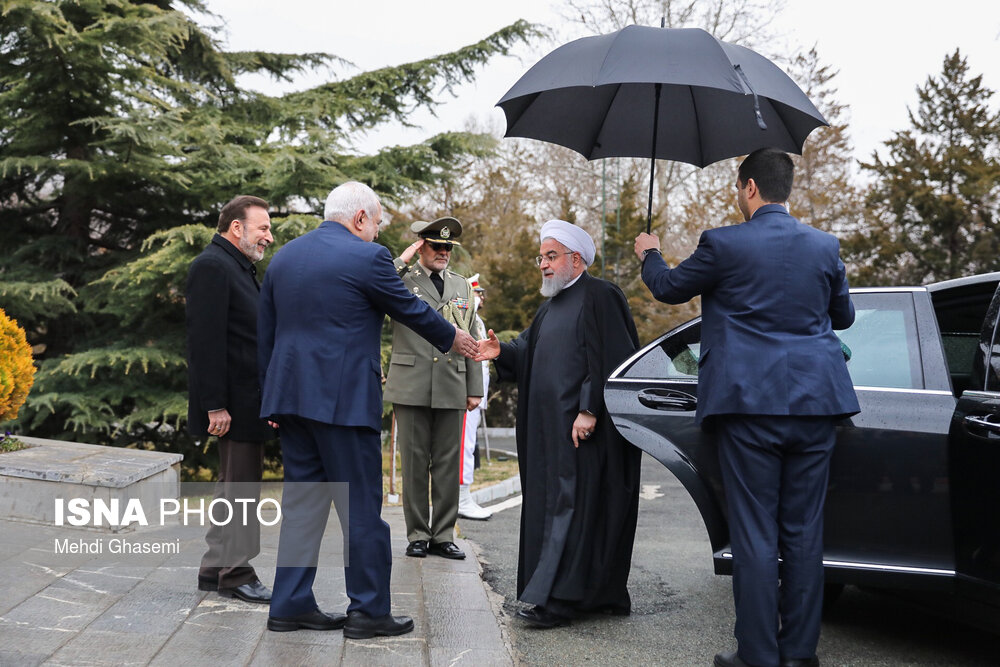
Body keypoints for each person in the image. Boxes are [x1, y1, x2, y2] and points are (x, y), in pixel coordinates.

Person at [633, 148, 860, 667]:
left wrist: (650, 251)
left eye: (739, 189)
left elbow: (668, 288)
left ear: (750, 187)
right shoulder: (825, 247)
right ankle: (799, 656)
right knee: (804, 533)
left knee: (756, 531)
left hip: (747, 406)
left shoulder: (723, 243)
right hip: (816, 404)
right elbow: (843, 316)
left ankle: (757, 655)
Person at [257, 182, 479, 637]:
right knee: (360, 508)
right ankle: (369, 611)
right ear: (360, 218)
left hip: (291, 402)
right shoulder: (368, 257)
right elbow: (409, 309)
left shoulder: (285, 257)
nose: (378, 234)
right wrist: (457, 339)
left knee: (302, 507)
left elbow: (267, 333)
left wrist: (271, 399)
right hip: (343, 403)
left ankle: (290, 604)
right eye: (376, 224)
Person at [476, 220, 642, 629]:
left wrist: (590, 408)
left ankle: (558, 601)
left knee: (575, 512)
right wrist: (501, 352)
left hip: (584, 432)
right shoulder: (550, 304)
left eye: (551, 257)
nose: (544, 266)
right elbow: (528, 349)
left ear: (576, 259)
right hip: (548, 434)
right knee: (557, 511)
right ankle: (584, 594)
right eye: (541, 258)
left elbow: (613, 358)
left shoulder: (601, 295)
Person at [185, 194, 275, 605]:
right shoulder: (212, 266)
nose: (269, 237)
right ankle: (235, 573)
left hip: (245, 399)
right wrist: (214, 405)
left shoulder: (237, 267)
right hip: (233, 404)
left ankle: (213, 568)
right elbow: (205, 344)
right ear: (236, 227)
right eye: (263, 228)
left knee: (233, 486)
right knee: (241, 489)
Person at [384, 218, 483, 559]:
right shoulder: (402, 281)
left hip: (452, 382)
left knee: (446, 463)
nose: (443, 253)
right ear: (421, 247)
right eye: (435, 246)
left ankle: (443, 534)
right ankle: (417, 534)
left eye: (447, 248)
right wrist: (400, 260)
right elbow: (375, 287)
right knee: (413, 462)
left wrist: (475, 387)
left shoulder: (462, 287)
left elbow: (472, 337)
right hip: (411, 383)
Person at [458, 274, 492, 521]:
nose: (480, 297)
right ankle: (461, 498)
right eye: (477, 293)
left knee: (467, 446)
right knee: (463, 447)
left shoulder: (477, 319)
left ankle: (462, 495)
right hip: (466, 393)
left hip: (476, 393)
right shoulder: (466, 317)